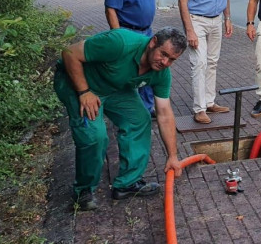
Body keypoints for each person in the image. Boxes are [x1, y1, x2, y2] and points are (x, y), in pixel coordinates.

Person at [54, 27, 187, 211]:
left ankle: (127, 183)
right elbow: (69, 53)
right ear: (153, 42)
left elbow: (164, 113)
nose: (165, 62)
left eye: (172, 59)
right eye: (163, 54)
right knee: (94, 136)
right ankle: (83, 191)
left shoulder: (162, 73)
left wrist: (173, 156)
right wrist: (84, 92)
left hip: (114, 87)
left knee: (140, 119)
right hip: (78, 82)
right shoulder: (120, 43)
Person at [177, 0, 234, 124]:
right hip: (197, 20)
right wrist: (190, 30)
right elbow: (182, 1)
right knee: (199, 63)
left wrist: (227, 18)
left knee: (212, 61)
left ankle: (210, 102)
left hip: (216, 19)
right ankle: (199, 108)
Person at [104, 0, 157, 116]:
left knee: (148, 70)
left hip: (146, 32)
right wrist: (119, 38)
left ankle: (147, 109)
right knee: (130, 74)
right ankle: (131, 112)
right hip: (127, 31)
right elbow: (111, 9)